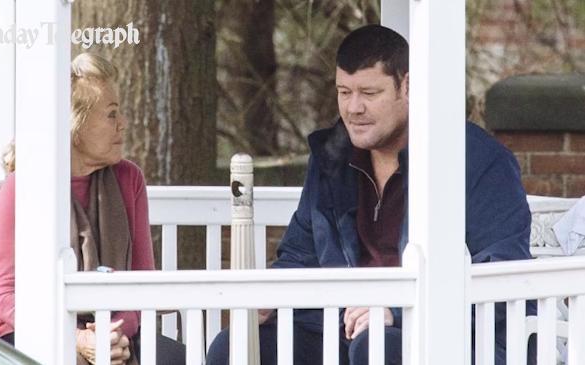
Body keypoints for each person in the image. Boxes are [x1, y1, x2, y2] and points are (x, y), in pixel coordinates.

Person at [207, 25, 535, 365]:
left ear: (408, 87)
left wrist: (395, 309)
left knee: (374, 346)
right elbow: (300, 255)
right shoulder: (331, 158)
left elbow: (501, 272)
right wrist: (270, 294)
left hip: (444, 335)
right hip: (338, 330)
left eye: (369, 93)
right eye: (344, 92)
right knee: (233, 348)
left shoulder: (476, 160)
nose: (353, 108)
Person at [0, 53, 185, 365]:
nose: (123, 123)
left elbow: (142, 280)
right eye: (111, 114)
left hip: (115, 332)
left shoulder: (128, 179)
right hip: (32, 332)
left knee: (174, 357)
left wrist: (113, 333)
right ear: (74, 126)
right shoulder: (22, 186)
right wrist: (75, 338)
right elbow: (3, 296)